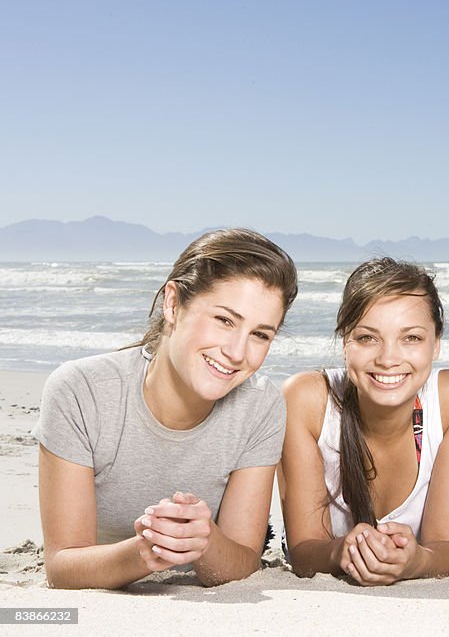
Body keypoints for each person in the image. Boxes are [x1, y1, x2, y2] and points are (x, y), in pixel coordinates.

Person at [33, 228, 299, 589]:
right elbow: (62, 568)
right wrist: (147, 550)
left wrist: (204, 541)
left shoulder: (260, 405)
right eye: (224, 320)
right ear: (172, 304)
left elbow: (242, 566)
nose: (238, 352)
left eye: (260, 334)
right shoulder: (82, 391)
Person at [279, 258, 449, 585]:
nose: (388, 359)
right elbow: (304, 551)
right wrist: (341, 551)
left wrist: (416, 561)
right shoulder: (307, 400)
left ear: (436, 343)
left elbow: (447, 547)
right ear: (345, 342)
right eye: (367, 338)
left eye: (411, 338)